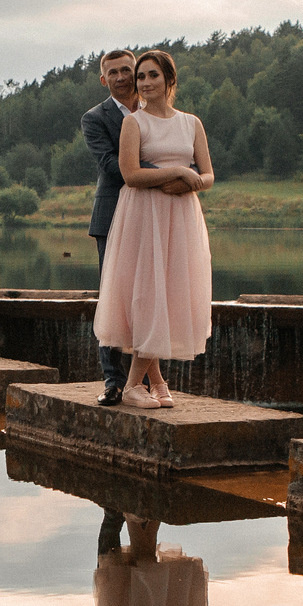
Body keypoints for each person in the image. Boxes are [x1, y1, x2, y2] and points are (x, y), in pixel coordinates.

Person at [93, 49, 213, 408]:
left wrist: (192, 182)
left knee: (172, 293)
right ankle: (132, 385)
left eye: (151, 76)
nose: (144, 83)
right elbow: (130, 174)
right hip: (144, 214)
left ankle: (153, 383)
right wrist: (177, 172)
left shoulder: (191, 123)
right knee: (147, 296)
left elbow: (207, 174)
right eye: (141, 77)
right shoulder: (135, 123)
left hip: (181, 215)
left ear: (169, 80)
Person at [79, 49, 140, 403]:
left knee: (149, 296)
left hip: (153, 214)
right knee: (113, 299)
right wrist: (161, 173)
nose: (121, 77)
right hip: (112, 215)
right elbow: (110, 165)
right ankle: (113, 382)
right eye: (113, 72)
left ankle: (144, 379)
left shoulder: (155, 112)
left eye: (127, 70)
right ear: (104, 80)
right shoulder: (94, 118)